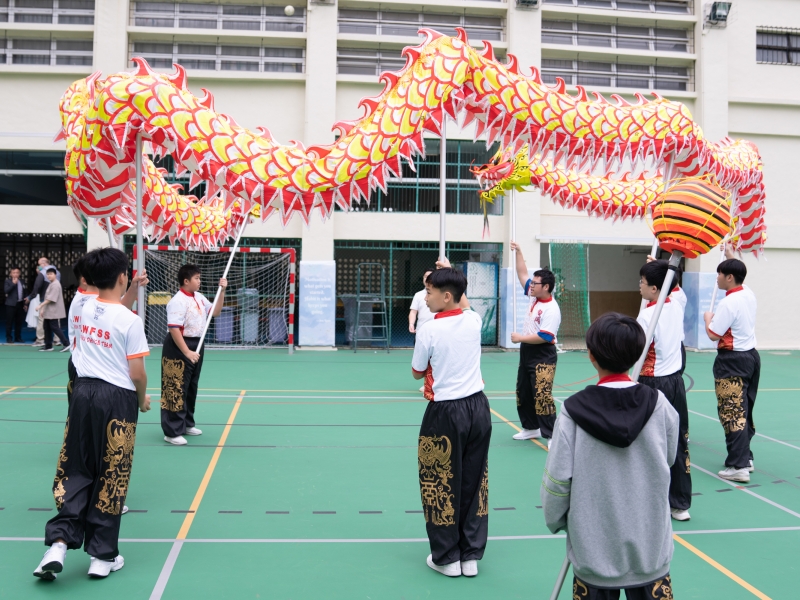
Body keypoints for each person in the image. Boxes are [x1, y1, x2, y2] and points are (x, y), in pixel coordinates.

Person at [542, 313, 679, 599]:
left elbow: (558, 481)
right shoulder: (660, 406)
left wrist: (559, 521)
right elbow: (668, 458)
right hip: (650, 548)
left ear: (591, 355)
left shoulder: (572, 412)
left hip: (594, 550)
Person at [33, 247, 151, 581]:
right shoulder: (131, 321)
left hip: (82, 394)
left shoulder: (83, 307)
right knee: (112, 474)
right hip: (117, 399)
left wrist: (131, 289)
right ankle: (102, 555)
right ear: (122, 276)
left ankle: (57, 544)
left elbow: (111, 308)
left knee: (76, 469)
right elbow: (137, 372)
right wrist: (142, 399)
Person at [411, 260, 491, 578]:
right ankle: (470, 556)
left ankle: (446, 557)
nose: (425, 297)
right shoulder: (473, 320)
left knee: (439, 482)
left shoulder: (429, 329)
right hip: (478, 409)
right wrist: (452, 271)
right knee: (475, 480)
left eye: (429, 292)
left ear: (446, 296)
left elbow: (417, 371)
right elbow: (464, 303)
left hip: (445, 413)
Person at [637, 260, 692, 521]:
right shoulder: (677, 303)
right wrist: (665, 267)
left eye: (643, 282)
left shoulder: (647, 317)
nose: (639, 286)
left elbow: (637, 352)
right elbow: (676, 287)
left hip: (652, 384)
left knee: (649, 443)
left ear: (655, 289)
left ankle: (651, 501)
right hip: (675, 383)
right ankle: (680, 503)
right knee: (678, 440)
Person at [704, 257, 759, 484]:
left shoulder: (729, 302)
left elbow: (713, 334)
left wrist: (708, 319)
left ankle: (738, 466)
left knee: (732, 412)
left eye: (719, 274)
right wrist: (729, 254)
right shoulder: (748, 293)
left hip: (732, 361)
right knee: (744, 409)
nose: (716, 278)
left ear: (729, 277)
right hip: (751, 357)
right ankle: (745, 457)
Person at [160, 264, 227, 446]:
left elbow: (215, 312)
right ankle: (172, 431)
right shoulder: (177, 301)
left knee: (191, 386)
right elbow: (174, 329)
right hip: (179, 346)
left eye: (199, 278)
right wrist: (187, 352)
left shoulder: (199, 297)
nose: (199, 281)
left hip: (197, 343)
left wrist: (222, 291)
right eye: (196, 278)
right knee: (175, 387)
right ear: (186, 281)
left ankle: (187, 423)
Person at [67, 257, 147, 404]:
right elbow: (116, 312)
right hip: (96, 375)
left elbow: (115, 312)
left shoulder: (89, 303)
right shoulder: (86, 303)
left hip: (89, 379)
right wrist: (141, 399)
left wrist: (132, 289)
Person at [508, 242, 561, 444]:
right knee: (524, 392)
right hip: (527, 352)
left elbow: (545, 336)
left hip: (543, 354)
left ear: (545, 287)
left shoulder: (551, 309)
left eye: (535, 283)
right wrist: (519, 251)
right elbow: (522, 273)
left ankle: (551, 434)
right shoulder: (533, 297)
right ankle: (531, 428)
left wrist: (520, 338)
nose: (531, 285)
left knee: (542, 394)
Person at [409, 268, 435, 392]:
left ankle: (435, 383)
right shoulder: (418, 295)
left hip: (437, 333)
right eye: (425, 277)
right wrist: (411, 323)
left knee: (435, 359)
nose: (427, 279)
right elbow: (413, 312)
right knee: (424, 360)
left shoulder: (440, 294)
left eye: (430, 276)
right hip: (421, 334)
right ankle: (427, 383)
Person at [36, 267, 69, 352]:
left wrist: (40, 306)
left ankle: (66, 343)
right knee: (46, 327)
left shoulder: (55, 285)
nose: (49, 276)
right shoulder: (51, 283)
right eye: (47, 274)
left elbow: (50, 299)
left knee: (54, 327)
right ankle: (48, 345)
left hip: (53, 310)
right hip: (49, 310)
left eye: (51, 274)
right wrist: (43, 309)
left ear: (55, 275)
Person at [4, 267, 27, 343]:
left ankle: (18, 337)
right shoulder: (8, 281)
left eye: (17, 272)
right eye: (13, 273)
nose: (15, 274)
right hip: (10, 305)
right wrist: (13, 284)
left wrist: (25, 304)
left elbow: (24, 293)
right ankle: (9, 338)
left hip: (20, 304)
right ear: (11, 274)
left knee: (19, 322)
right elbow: (6, 291)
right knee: (9, 322)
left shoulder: (22, 281)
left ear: (19, 273)